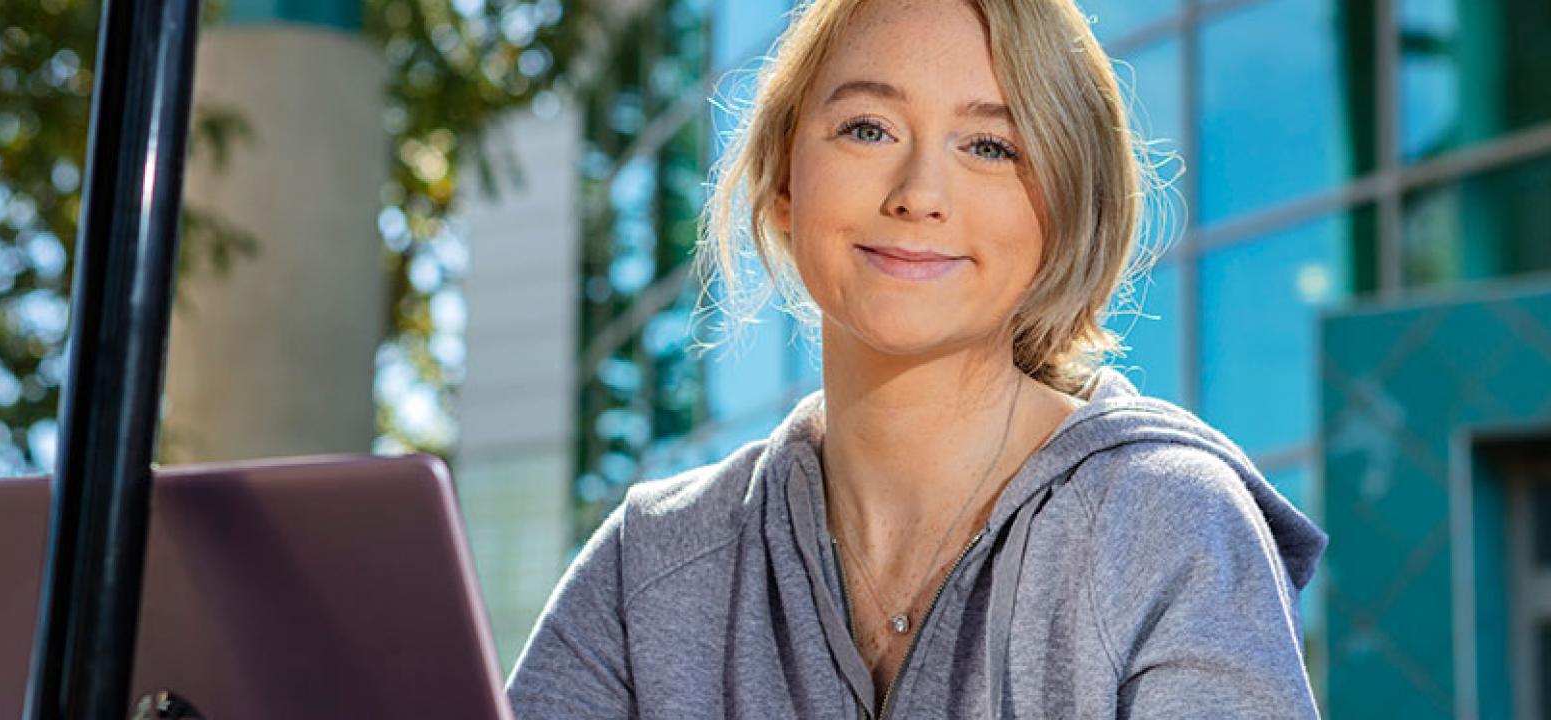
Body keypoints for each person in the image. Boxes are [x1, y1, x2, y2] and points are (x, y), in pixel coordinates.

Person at [505, 0, 1327, 717]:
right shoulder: (650, 565)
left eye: (990, 146)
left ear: (1066, 210)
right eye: (868, 128)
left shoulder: (1167, 527)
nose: (919, 191)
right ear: (784, 182)